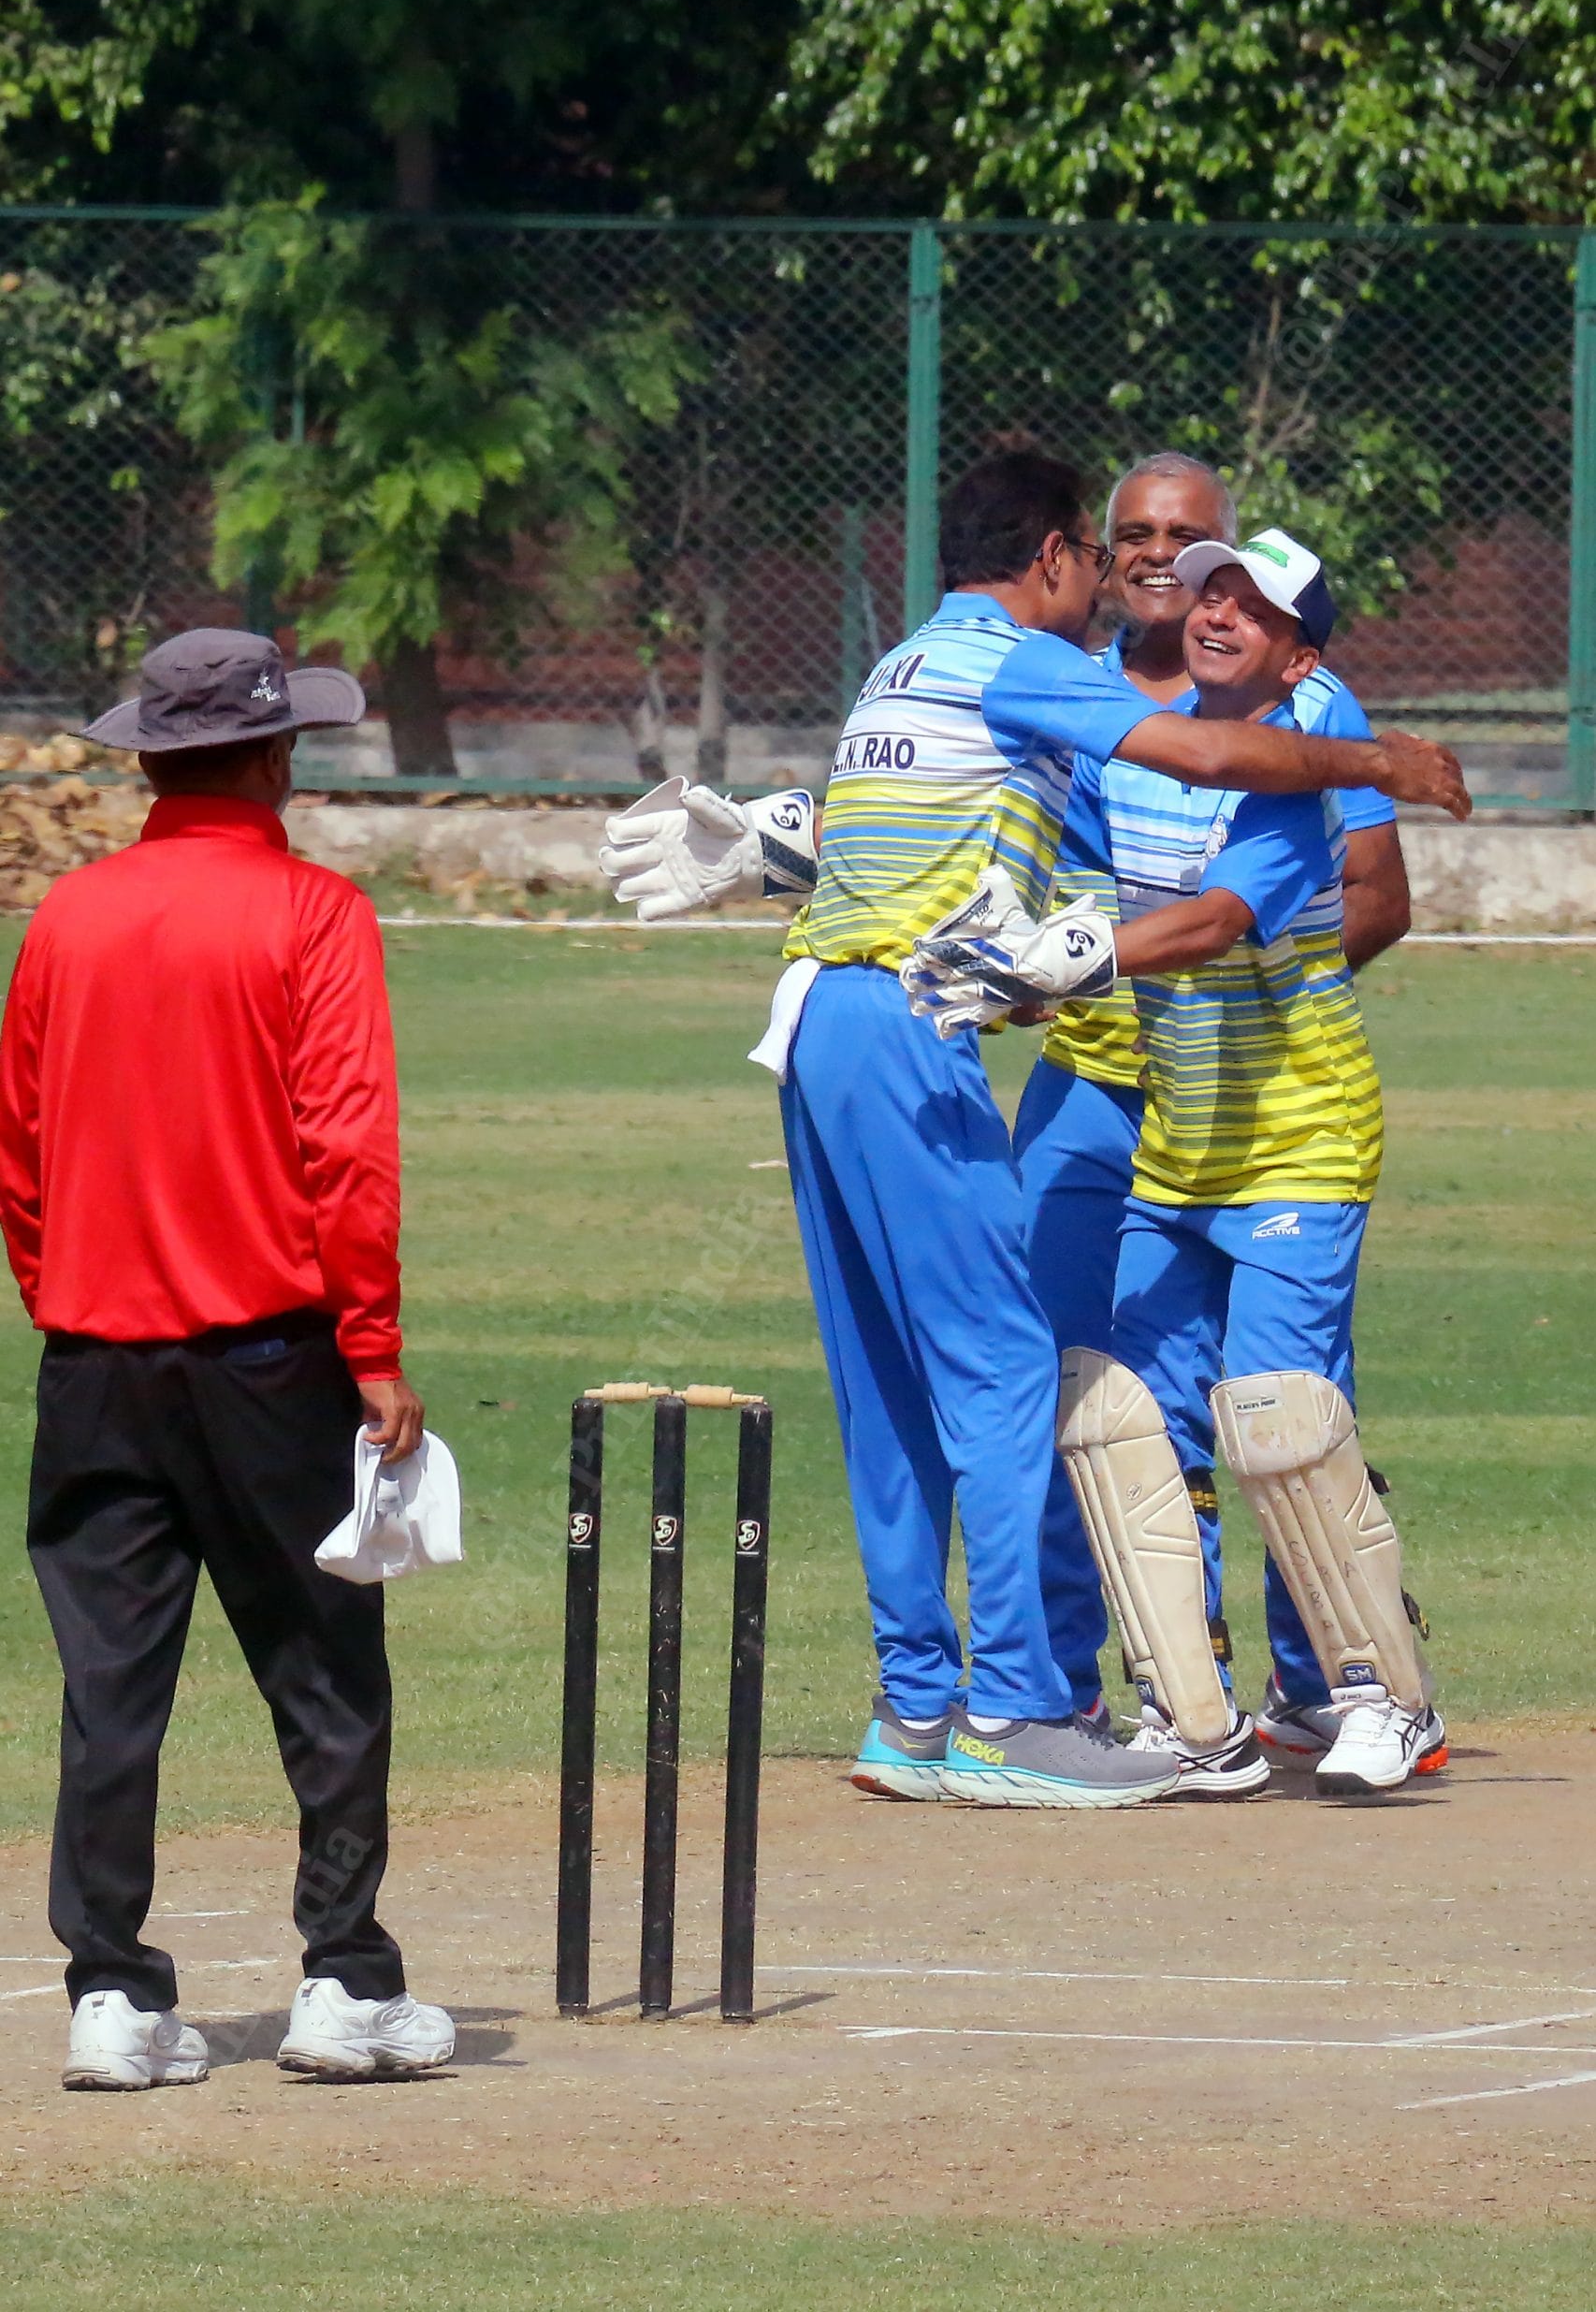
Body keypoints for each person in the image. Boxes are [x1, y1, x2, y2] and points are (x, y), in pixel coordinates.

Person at [600, 453, 1468, 1813]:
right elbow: (1097, 802)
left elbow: (1218, 883)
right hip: (971, 1042)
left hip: (1025, 1054)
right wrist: (1387, 765)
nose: (1173, 571)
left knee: (1225, 1405)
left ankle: (1324, 1690)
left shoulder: (923, 661)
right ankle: (1029, 1703)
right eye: (1143, 541)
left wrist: (1114, 958)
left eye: (1203, 554)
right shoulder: (1039, 668)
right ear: (1073, 552)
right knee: (1031, 1377)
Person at [902, 530, 1446, 1800]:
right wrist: (829, 861)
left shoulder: (1288, 779)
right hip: (1177, 1144)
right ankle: (1187, 1715)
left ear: (1298, 653)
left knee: (1278, 1423)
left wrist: (1078, 956)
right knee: (1135, 1429)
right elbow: (1024, 837)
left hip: (1299, 1138)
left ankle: (1379, 1697)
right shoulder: (1136, 750)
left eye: (1250, 610)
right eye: (1211, 593)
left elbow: (1208, 924)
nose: (1214, 615)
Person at [0, 629, 455, 2090]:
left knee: (110, 1687)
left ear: (150, 759)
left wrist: (61, 1294)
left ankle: (112, 2000)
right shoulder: (312, 912)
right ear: (275, 756)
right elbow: (347, 1150)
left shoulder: (67, 915)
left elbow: (21, 1150)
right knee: (323, 1667)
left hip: (93, 1357)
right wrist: (371, 1346)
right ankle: (342, 1981)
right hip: (269, 1356)